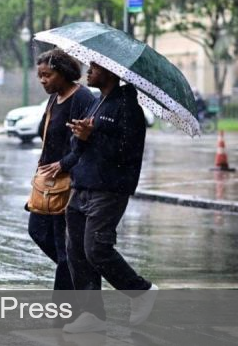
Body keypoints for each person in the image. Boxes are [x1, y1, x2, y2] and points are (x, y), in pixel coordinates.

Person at [62, 62, 158, 334]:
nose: (88, 72)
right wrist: (80, 136)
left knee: (96, 248)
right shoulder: (96, 103)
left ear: (111, 72)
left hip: (109, 188)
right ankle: (91, 313)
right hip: (82, 186)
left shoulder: (127, 109)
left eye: (94, 68)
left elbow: (124, 153)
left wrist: (93, 136)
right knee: (76, 251)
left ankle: (140, 291)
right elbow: (80, 146)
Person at [28, 49, 95, 320]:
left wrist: (64, 164)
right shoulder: (55, 98)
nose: (43, 80)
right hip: (48, 181)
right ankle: (82, 278)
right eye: (40, 76)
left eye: (48, 75)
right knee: (38, 232)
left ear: (64, 72)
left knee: (65, 249)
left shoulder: (82, 98)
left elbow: (85, 143)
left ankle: (64, 311)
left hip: (69, 182)